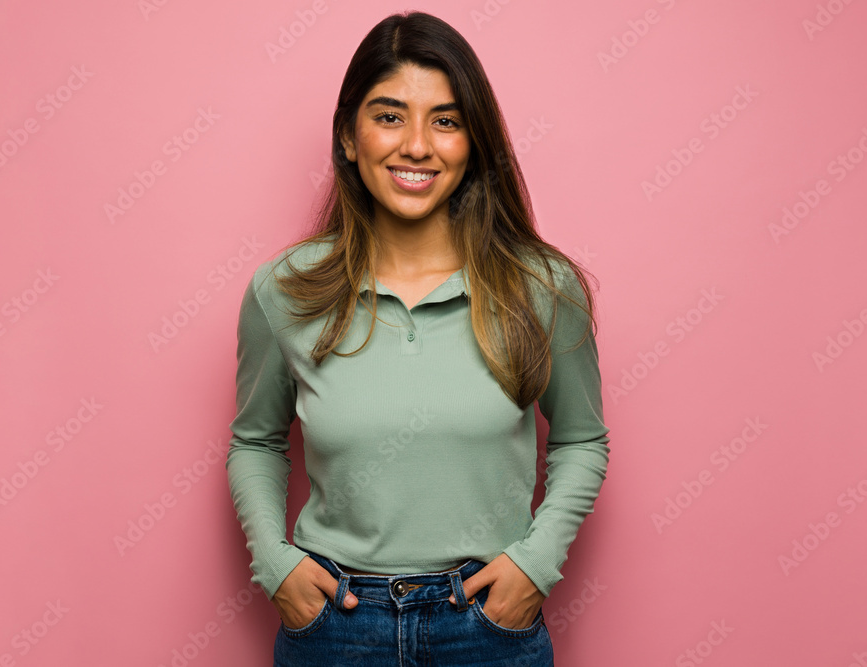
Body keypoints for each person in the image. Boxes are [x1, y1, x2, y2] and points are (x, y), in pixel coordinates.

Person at [226, 10, 610, 666]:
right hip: (335, 629)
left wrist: (537, 563)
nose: (416, 145)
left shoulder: (542, 287)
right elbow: (254, 440)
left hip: (487, 628)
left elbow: (581, 438)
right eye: (388, 115)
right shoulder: (283, 291)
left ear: (473, 142)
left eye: (446, 120)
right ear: (349, 137)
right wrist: (274, 564)